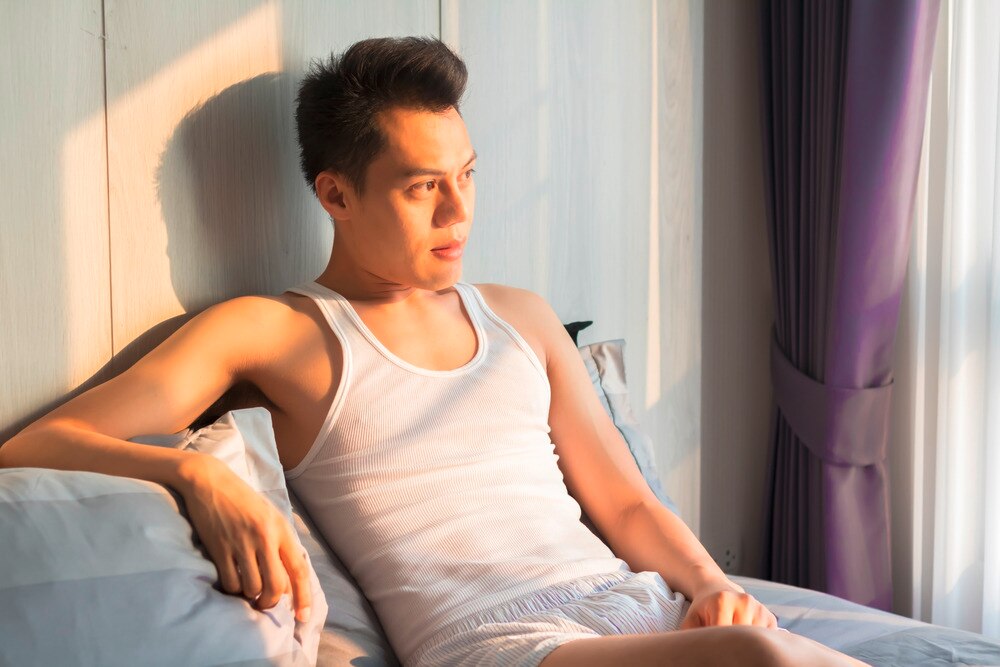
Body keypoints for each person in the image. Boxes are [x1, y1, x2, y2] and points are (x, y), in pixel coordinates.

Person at [0, 36, 867, 667]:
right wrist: (194, 474)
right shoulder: (277, 332)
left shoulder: (521, 319)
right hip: (499, 645)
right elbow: (29, 446)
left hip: (643, 614)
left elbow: (630, 507)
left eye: (468, 175)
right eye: (423, 188)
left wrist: (714, 585)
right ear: (334, 194)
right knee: (768, 663)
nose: (459, 214)